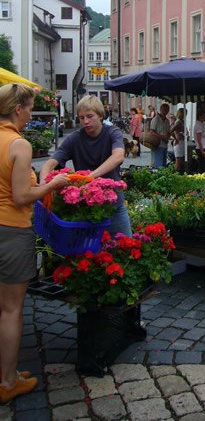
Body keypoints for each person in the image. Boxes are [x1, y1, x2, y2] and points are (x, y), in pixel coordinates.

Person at [0, 83, 69, 403]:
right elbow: (21, 196)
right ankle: (7, 381)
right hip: (12, 230)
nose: (31, 115)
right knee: (12, 310)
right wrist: (52, 184)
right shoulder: (19, 144)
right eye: (29, 109)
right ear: (17, 109)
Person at [39, 95, 131, 237]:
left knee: (125, 246)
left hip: (114, 204)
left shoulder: (113, 132)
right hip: (86, 206)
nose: (86, 122)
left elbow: (118, 156)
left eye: (90, 116)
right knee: (89, 252)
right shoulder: (74, 138)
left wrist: (89, 177)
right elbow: (50, 163)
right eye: (81, 118)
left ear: (100, 115)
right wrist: (44, 185)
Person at [149, 103, 171, 168]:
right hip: (157, 145)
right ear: (161, 110)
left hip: (165, 145)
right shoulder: (155, 119)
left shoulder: (167, 121)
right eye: (164, 110)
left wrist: (168, 137)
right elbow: (152, 132)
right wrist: (162, 137)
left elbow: (168, 132)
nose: (165, 111)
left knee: (163, 165)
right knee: (158, 165)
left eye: (167, 110)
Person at [170, 107, 186, 173]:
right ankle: (175, 172)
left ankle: (179, 171)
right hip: (179, 142)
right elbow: (171, 131)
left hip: (182, 141)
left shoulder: (182, 121)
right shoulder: (178, 122)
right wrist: (175, 138)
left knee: (181, 158)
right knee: (178, 159)